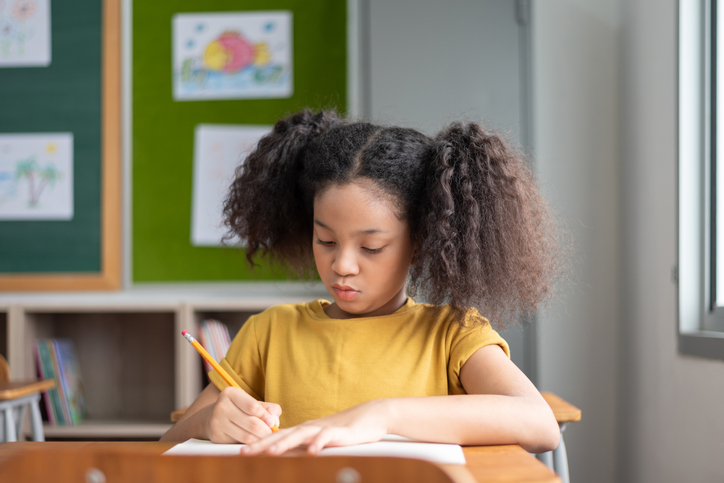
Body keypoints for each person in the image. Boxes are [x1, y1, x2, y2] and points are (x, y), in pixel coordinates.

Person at [160, 109, 563, 455]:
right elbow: (166, 446)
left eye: (371, 247)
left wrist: (382, 414)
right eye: (326, 241)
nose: (342, 265)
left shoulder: (452, 334)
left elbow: (539, 424)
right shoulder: (269, 332)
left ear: (420, 242)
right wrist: (208, 423)